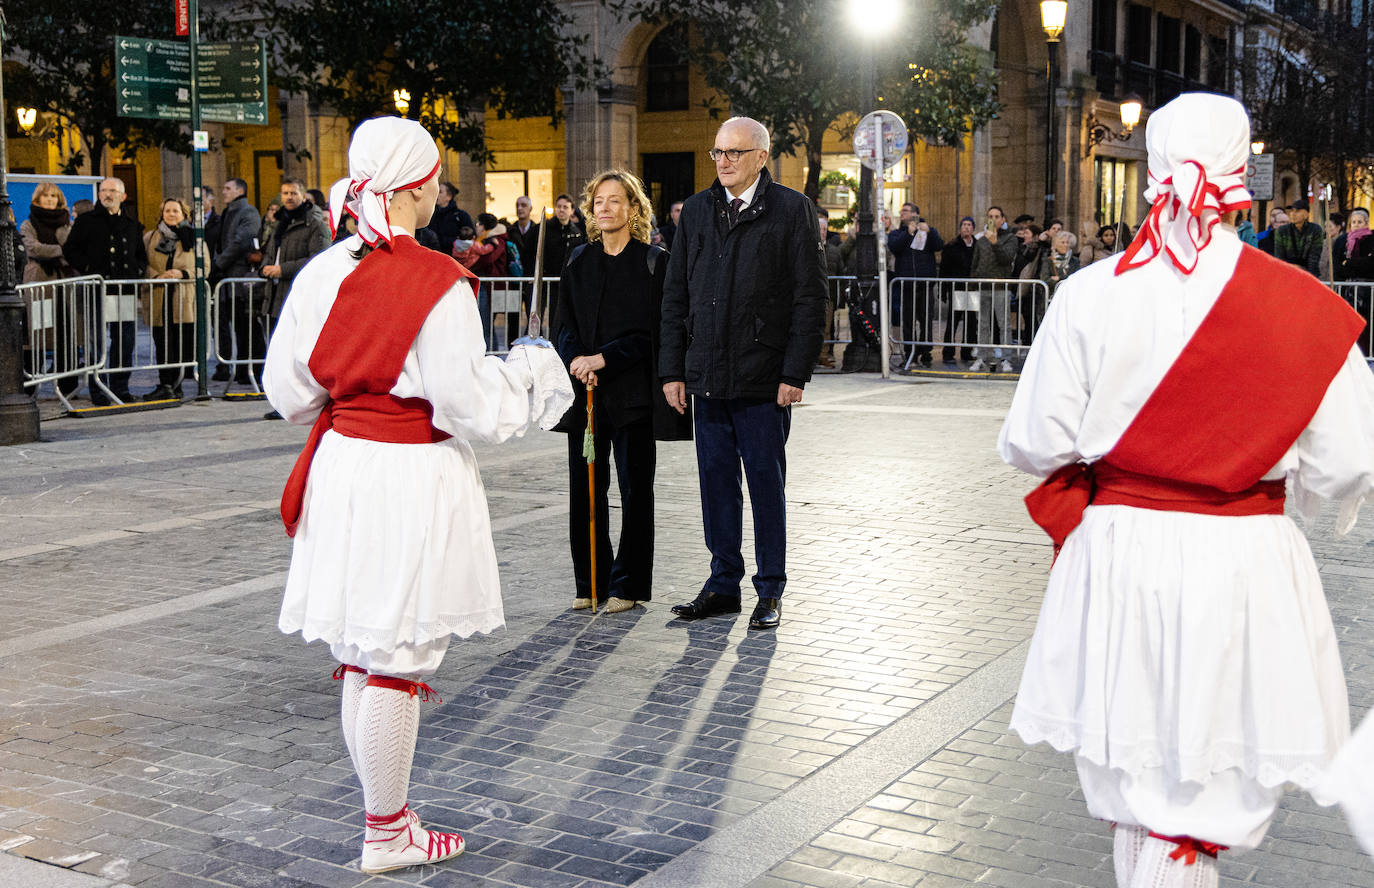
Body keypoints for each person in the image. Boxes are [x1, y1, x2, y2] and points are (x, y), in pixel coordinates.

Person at [999, 92, 1374, 888]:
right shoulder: (1309, 310)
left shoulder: (1090, 295)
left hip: (1120, 550)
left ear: (1152, 179)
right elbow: (1347, 463)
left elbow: (1035, 441)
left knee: (1135, 778)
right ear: (1245, 177)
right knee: (1206, 778)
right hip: (1244, 557)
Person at [263, 116, 572, 876]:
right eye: (435, 175)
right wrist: (529, 372)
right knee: (396, 653)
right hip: (407, 473)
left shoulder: (325, 269)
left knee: (365, 649)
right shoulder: (437, 281)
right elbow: (465, 405)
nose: (441, 187)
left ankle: (388, 818)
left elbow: (288, 391)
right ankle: (386, 832)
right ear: (414, 186)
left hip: (344, 464)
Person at [659, 116, 825, 632]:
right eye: (717, 153)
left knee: (765, 486)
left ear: (760, 156)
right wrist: (672, 370)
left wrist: (794, 372)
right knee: (716, 486)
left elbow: (809, 298)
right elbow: (675, 295)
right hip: (706, 376)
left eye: (733, 152)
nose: (723, 161)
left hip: (763, 380)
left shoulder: (791, 211)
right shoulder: (698, 212)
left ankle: (770, 589)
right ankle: (722, 584)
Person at [554, 170, 690, 614]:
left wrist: (604, 358)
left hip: (631, 396)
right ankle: (588, 580)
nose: (605, 208)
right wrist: (578, 359)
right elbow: (563, 324)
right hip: (585, 397)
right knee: (585, 490)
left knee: (635, 491)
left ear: (633, 209)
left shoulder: (653, 262)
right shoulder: (578, 261)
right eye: (598, 201)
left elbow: (655, 331)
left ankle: (627, 584)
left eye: (616, 201)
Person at [63, 177, 146, 405]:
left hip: (124, 290)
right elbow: (70, 250)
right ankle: (98, 389)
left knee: (125, 340)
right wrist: (89, 268)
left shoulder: (132, 224)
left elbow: (140, 254)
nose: (107, 194)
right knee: (95, 341)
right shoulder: (87, 221)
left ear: (123, 196)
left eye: (112, 190)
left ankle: (121, 388)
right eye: (103, 190)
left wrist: (137, 271)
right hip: (96, 290)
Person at [20, 183, 79, 397]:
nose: (49, 200)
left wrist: (57, 252)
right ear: (37, 199)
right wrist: (60, 251)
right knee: (37, 334)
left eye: (53, 196)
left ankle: (67, 386)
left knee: (65, 333)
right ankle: (30, 385)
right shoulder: (28, 223)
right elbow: (33, 248)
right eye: (45, 196)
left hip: (64, 283)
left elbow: (75, 248)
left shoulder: (67, 224)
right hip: (39, 282)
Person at [141, 198, 198, 401]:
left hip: (183, 299)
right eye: (167, 211)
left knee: (181, 343)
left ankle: (178, 384)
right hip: (159, 296)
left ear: (184, 215)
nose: (171, 214)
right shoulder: (150, 237)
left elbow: (204, 267)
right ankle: (165, 384)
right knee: (162, 343)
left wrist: (182, 274)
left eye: (175, 211)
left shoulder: (193, 238)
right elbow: (143, 264)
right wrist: (158, 275)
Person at [211, 178, 264, 386]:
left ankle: (252, 369)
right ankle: (242, 370)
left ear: (240, 190)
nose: (223, 191)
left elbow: (240, 241)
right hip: (230, 280)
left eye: (227, 188)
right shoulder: (229, 212)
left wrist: (219, 263)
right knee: (239, 326)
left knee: (248, 327)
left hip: (241, 280)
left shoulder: (247, 212)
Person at [887, 202, 942, 368]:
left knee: (925, 320)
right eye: (901, 210)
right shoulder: (898, 232)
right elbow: (894, 247)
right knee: (908, 322)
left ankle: (925, 353)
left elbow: (939, 245)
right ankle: (910, 352)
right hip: (907, 284)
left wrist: (929, 231)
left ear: (915, 213)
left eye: (905, 210)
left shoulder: (927, 230)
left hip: (925, 284)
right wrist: (908, 233)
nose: (901, 213)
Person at [969, 206, 1018, 372]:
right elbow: (975, 262)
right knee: (982, 324)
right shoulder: (981, 240)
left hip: (1001, 287)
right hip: (983, 286)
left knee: (1004, 324)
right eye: (990, 216)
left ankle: (1006, 359)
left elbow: (1007, 258)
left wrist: (995, 242)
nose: (994, 219)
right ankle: (981, 357)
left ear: (1002, 219)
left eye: (997, 216)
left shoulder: (1010, 238)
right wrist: (974, 281)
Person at [454, 212, 508, 349]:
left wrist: (468, 266)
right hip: (486, 285)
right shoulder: (482, 241)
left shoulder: (496, 240)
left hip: (493, 286)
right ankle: (490, 351)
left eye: (478, 224)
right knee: (484, 323)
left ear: (483, 226)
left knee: (486, 323)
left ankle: (492, 353)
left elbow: (488, 259)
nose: (476, 226)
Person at [542, 193, 588, 324]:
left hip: (566, 281)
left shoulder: (577, 232)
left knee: (558, 318)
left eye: (565, 207)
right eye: (559, 206)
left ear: (572, 210)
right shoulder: (545, 228)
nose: (561, 209)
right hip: (546, 280)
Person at [940, 215, 977, 364]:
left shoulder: (978, 245)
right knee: (953, 320)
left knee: (971, 321)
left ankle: (967, 351)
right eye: (964, 225)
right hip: (957, 288)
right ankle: (948, 352)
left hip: (973, 288)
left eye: (969, 225)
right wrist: (943, 290)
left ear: (973, 228)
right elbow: (944, 269)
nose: (966, 227)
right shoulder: (952, 246)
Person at [418, 181, 471, 255]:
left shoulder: (461, 215)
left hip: (454, 259)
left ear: (449, 197)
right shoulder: (429, 214)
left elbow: (469, 238)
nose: (436, 194)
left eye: (440, 192)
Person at [1273, 198, 1323, 276]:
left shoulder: (1315, 230)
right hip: (1285, 273)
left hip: (1309, 274)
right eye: (1292, 211)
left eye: (1297, 211)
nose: (1293, 214)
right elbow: (1279, 256)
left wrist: (1306, 275)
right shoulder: (1282, 231)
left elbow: (1314, 257)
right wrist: (1294, 268)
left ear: (1306, 215)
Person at [1320, 212, 1344, 282]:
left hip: (1337, 282)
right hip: (1322, 281)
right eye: (1325, 226)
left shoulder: (1344, 243)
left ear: (1338, 227)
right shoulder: (1322, 243)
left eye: (1330, 226)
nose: (1327, 229)